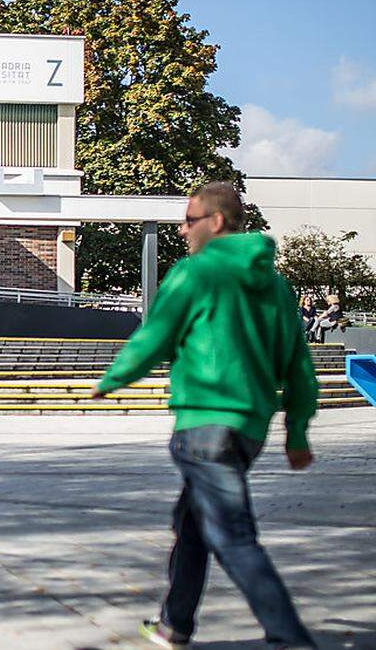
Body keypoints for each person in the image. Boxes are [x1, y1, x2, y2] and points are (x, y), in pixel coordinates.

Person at [91, 182, 318, 650]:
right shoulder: (276, 286)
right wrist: (296, 430)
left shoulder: (197, 273)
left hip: (204, 425)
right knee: (194, 523)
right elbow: (298, 363)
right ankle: (175, 625)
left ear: (215, 222)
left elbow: (156, 335)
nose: (182, 229)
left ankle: (290, 637)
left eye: (189, 220)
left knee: (233, 535)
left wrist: (112, 379)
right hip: (249, 428)